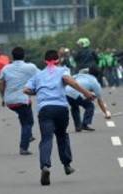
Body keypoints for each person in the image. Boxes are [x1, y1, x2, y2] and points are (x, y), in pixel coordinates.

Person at [24, 50, 95, 186]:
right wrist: (86, 93)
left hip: (45, 109)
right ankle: (67, 165)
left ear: (45, 61)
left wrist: (38, 91)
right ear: (58, 60)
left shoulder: (38, 75)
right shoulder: (63, 70)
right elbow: (68, 80)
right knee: (62, 136)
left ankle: (45, 166)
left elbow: (26, 90)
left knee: (46, 138)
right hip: (60, 108)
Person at [0, 47, 39, 155]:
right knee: (28, 123)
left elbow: (1, 82)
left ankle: (28, 135)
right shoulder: (30, 67)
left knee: (24, 117)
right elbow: (40, 77)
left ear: (12, 56)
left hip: (10, 101)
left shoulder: (6, 68)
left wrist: (3, 97)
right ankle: (24, 147)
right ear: (24, 55)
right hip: (22, 100)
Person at [66, 66, 112, 132]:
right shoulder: (95, 83)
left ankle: (78, 126)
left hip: (66, 92)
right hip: (75, 93)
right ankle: (85, 124)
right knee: (90, 106)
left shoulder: (80, 75)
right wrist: (106, 113)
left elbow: (70, 79)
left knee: (74, 107)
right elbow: (100, 101)